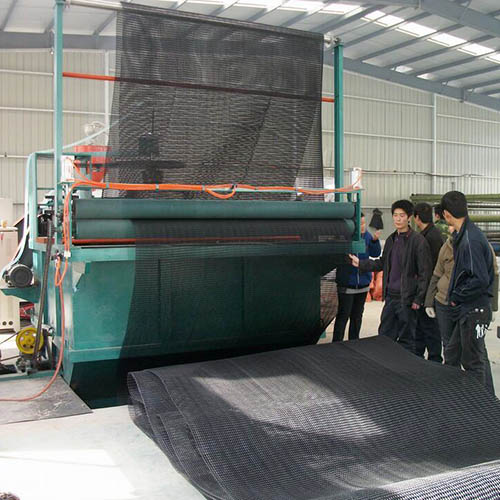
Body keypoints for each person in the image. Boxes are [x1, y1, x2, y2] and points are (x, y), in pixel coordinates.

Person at [350, 200, 432, 353]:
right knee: (385, 337)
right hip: (390, 298)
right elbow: (382, 263)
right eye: (395, 215)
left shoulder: (418, 242)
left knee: (407, 341)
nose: (398, 219)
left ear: (409, 217)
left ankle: (406, 367)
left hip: (407, 300)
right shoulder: (391, 240)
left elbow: (424, 273)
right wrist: (361, 263)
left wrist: (418, 299)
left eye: (402, 215)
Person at [439, 190, 495, 393]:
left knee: (473, 362)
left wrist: (456, 296)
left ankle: (480, 404)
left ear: (446, 214)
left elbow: (479, 279)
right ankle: (456, 397)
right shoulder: (464, 236)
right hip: (467, 309)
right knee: (453, 353)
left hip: (474, 310)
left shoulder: (470, 240)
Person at [333, 213, 381, 341]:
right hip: (347, 284)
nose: (363, 226)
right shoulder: (345, 238)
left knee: (357, 315)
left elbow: (375, 253)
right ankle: (337, 343)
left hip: (363, 284)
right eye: (360, 223)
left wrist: (375, 241)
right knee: (343, 315)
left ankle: (354, 342)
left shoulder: (367, 236)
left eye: (364, 223)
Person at [413, 202, 444, 362]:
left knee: (430, 327)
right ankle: (418, 356)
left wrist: (425, 295)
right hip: (427, 287)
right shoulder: (432, 233)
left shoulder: (428, 237)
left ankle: (434, 359)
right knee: (421, 325)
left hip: (429, 289)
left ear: (417, 218)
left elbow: (429, 269)